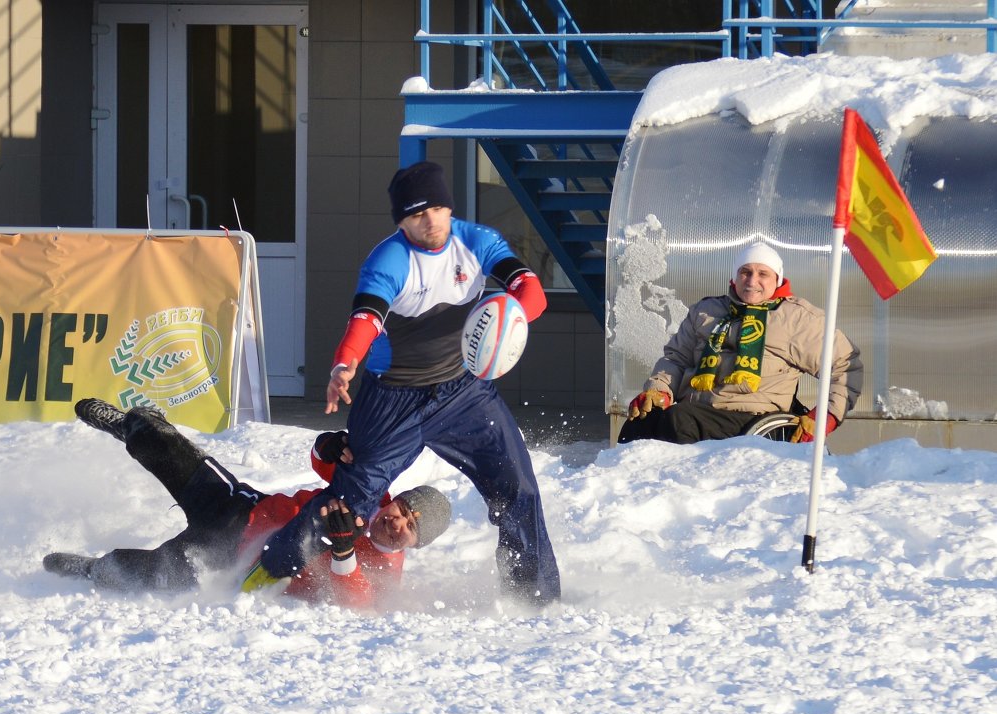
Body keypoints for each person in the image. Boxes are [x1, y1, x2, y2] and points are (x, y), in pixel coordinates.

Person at [245, 161, 561, 606]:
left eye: (435, 208)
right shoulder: (389, 260)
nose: (428, 221)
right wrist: (344, 364)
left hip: (463, 392)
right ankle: (259, 576)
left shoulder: (478, 242)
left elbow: (532, 291)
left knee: (519, 489)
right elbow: (366, 319)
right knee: (347, 508)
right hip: (392, 399)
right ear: (401, 221)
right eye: (415, 215)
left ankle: (536, 600)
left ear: (449, 207)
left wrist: (511, 317)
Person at [42, 399, 451, 609]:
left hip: (234, 566)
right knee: (174, 454)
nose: (398, 524)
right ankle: (136, 425)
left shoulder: (386, 567)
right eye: (404, 511)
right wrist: (330, 444)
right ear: (394, 500)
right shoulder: (369, 492)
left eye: (411, 529)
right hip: (242, 510)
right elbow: (322, 460)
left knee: (153, 572)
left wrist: (345, 555)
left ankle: (93, 569)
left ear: (412, 546)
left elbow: (360, 603)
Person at [617, 242, 863, 445]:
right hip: (697, 409)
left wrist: (824, 417)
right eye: (745, 272)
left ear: (777, 279)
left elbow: (845, 365)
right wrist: (659, 389)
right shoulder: (707, 311)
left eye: (763, 274)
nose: (752, 280)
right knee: (641, 420)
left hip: (753, 418)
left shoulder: (798, 319)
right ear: (734, 278)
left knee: (680, 420)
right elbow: (676, 359)